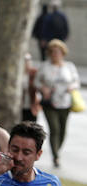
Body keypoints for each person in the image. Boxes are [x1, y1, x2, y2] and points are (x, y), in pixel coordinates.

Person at [34, 39, 80, 168]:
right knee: (54, 129)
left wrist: (72, 87)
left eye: (58, 52)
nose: (55, 54)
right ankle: (56, 156)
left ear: (63, 53)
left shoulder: (69, 66)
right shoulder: (45, 66)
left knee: (63, 130)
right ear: (49, 53)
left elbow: (76, 81)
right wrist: (42, 88)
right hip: (50, 102)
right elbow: (36, 82)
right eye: (53, 52)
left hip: (65, 102)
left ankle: (57, 150)